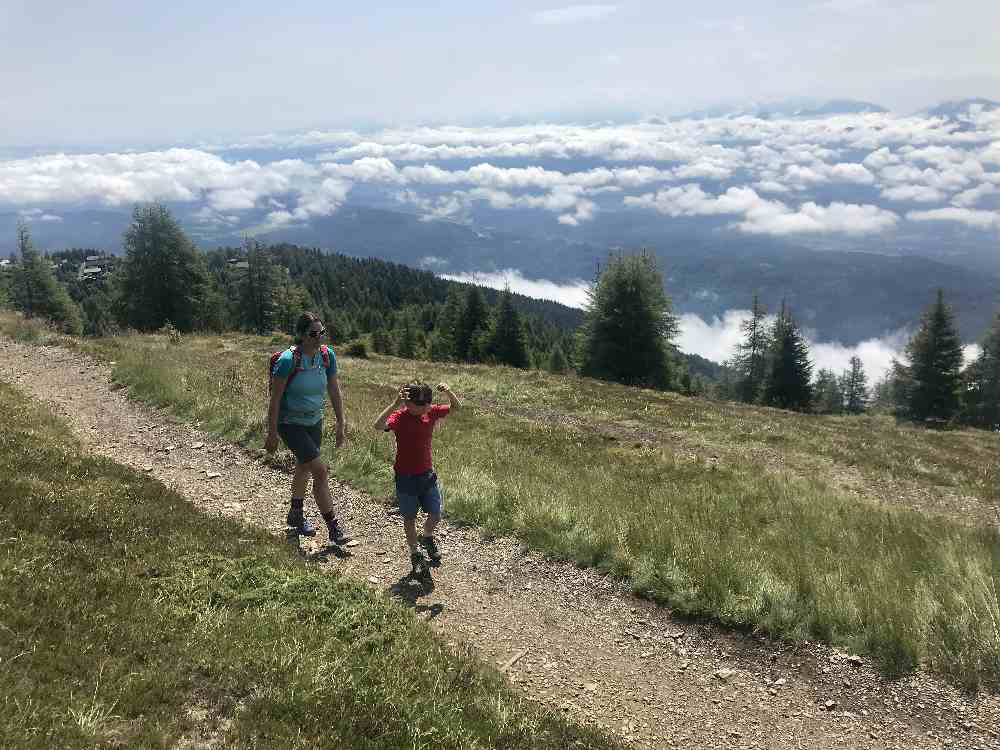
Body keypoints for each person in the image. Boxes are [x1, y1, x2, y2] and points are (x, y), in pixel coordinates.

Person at [265, 312, 350, 546]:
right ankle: (333, 528)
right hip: (290, 423)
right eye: (314, 334)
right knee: (320, 471)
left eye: (321, 332)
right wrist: (271, 433)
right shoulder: (287, 361)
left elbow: (334, 390)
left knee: (304, 466)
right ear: (301, 335)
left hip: (314, 421)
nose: (319, 337)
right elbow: (275, 400)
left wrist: (341, 423)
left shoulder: (326, 356)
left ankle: (295, 514)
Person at [374, 381, 460, 573]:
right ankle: (415, 552)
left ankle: (427, 536)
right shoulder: (399, 416)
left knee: (436, 514)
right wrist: (395, 404)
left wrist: (449, 391)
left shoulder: (431, 412)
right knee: (410, 518)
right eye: (420, 404)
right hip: (405, 477)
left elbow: (456, 408)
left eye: (427, 403)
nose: (425, 407)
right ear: (407, 403)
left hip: (426, 474)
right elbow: (378, 425)